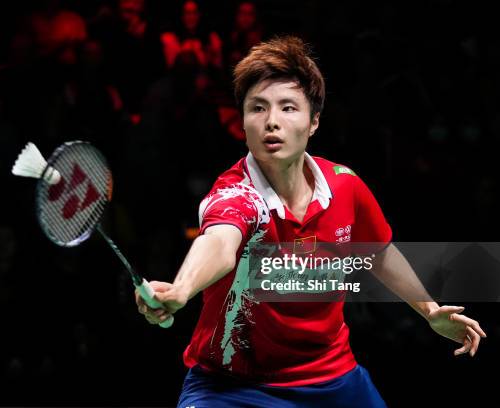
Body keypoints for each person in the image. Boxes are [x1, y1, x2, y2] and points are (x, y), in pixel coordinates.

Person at [134, 35, 487, 407]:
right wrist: (181, 290)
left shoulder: (345, 185)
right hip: (233, 387)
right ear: (242, 121)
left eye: (288, 108)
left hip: (333, 379)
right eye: (257, 108)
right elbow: (220, 243)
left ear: (314, 121)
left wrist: (430, 310)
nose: (272, 122)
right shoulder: (235, 195)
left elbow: (379, 253)